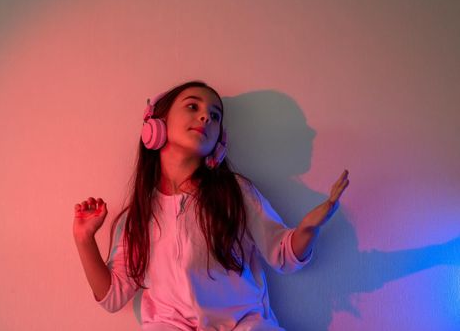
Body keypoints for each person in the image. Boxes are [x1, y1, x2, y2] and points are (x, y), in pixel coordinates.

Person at [73, 80, 350, 331]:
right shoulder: (139, 215)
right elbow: (112, 296)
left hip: (243, 325)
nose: (206, 116)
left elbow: (283, 253)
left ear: (220, 140)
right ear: (155, 126)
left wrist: (308, 229)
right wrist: (84, 240)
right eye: (193, 106)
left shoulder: (234, 192)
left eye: (215, 115)